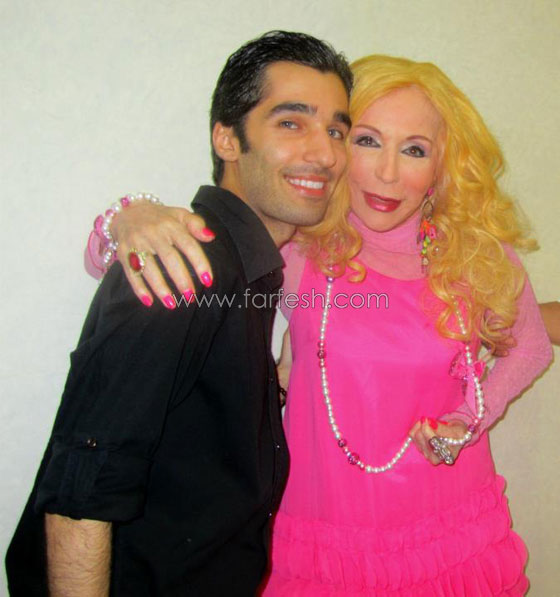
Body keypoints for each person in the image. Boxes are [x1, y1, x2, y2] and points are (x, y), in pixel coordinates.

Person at [81, 56, 552, 594]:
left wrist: (469, 420)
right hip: (326, 533)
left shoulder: (474, 256)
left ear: (442, 166)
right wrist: (130, 219)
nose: (388, 173)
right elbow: (112, 264)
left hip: (446, 527)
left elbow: (531, 347)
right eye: (367, 141)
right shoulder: (299, 247)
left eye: (414, 150)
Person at [5, 31, 353, 596]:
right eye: (291, 123)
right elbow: (81, 494)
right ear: (227, 138)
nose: (326, 153)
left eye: (336, 130)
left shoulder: (250, 272)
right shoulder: (181, 265)